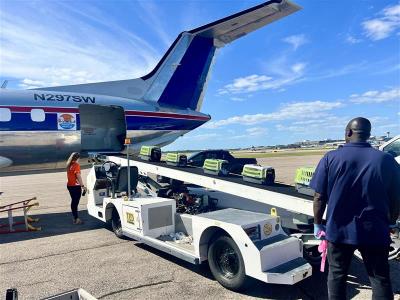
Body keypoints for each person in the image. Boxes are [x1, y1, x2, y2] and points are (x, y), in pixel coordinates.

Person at [310, 117, 400, 300]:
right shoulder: (386, 159)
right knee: (379, 279)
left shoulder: (330, 158)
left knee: (337, 276)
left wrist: (318, 224)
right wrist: (391, 222)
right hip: (375, 230)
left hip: (339, 231)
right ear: (368, 135)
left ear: (349, 133)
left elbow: (319, 197)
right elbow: (397, 198)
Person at [66, 152, 86, 225]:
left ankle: (75, 217)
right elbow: (78, 176)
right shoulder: (76, 165)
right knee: (75, 202)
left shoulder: (69, 164)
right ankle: (76, 219)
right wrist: (83, 186)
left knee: (73, 202)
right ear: (78, 158)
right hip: (75, 187)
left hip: (70, 185)